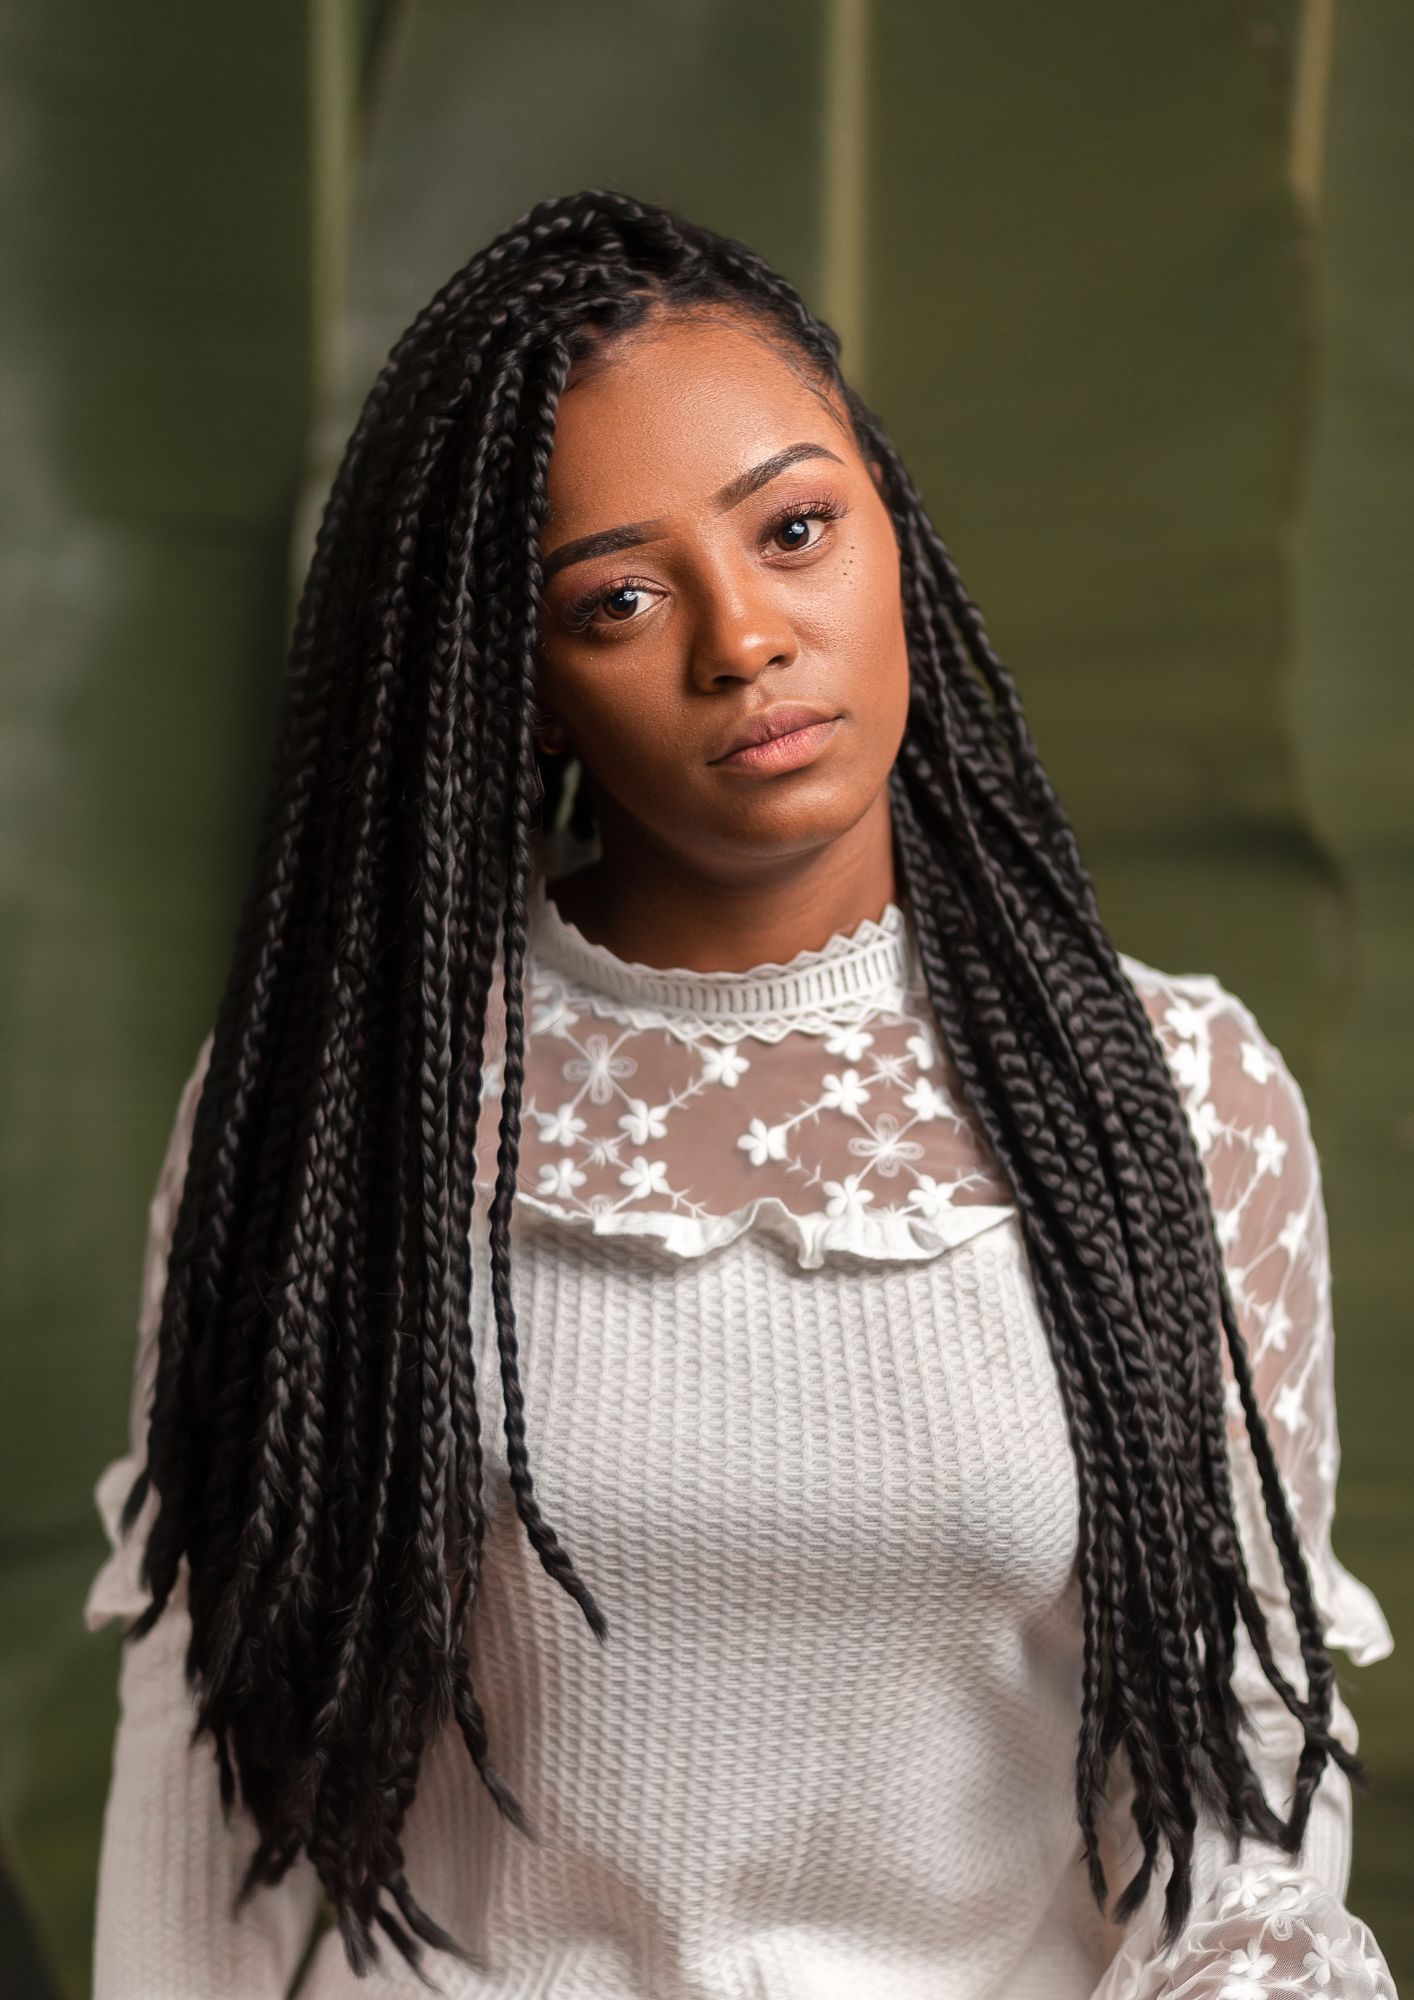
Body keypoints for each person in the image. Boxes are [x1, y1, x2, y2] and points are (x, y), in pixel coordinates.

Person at [85, 189, 1397, 1999]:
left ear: (892, 541)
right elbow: (210, 1755)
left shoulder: (1165, 1096)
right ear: (522, 681)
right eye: (617, 597)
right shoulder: (343, 1114)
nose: (743, 639)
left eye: (794, 530)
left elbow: (1237, 1759)